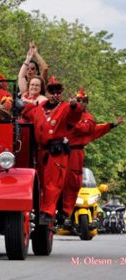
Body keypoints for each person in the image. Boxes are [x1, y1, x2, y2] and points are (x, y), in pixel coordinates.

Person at [22, 76, 82, 224]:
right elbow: (28, 113)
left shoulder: (66, 108)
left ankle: (48, 212)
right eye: (52, 91)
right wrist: (19, 106)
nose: (55, 95)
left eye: (58, 92)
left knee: (53, 183)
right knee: (40, 183)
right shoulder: (40, 108)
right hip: (41, 151)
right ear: (47, 92)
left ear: (61, 93)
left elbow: (75, 115)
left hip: (57, 152)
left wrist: (75, 106)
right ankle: (40, 209)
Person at [59, 89, 124, 222]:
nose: (81, 103)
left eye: (83, 101)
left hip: (75, 153)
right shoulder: (64, 112)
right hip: (58, 151)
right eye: (78, 100)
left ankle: (65, 211)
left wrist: (112, 125)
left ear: (86, 104)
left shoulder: (88, 118)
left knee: (73, 182)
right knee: (56, 179)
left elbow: (91, 129)